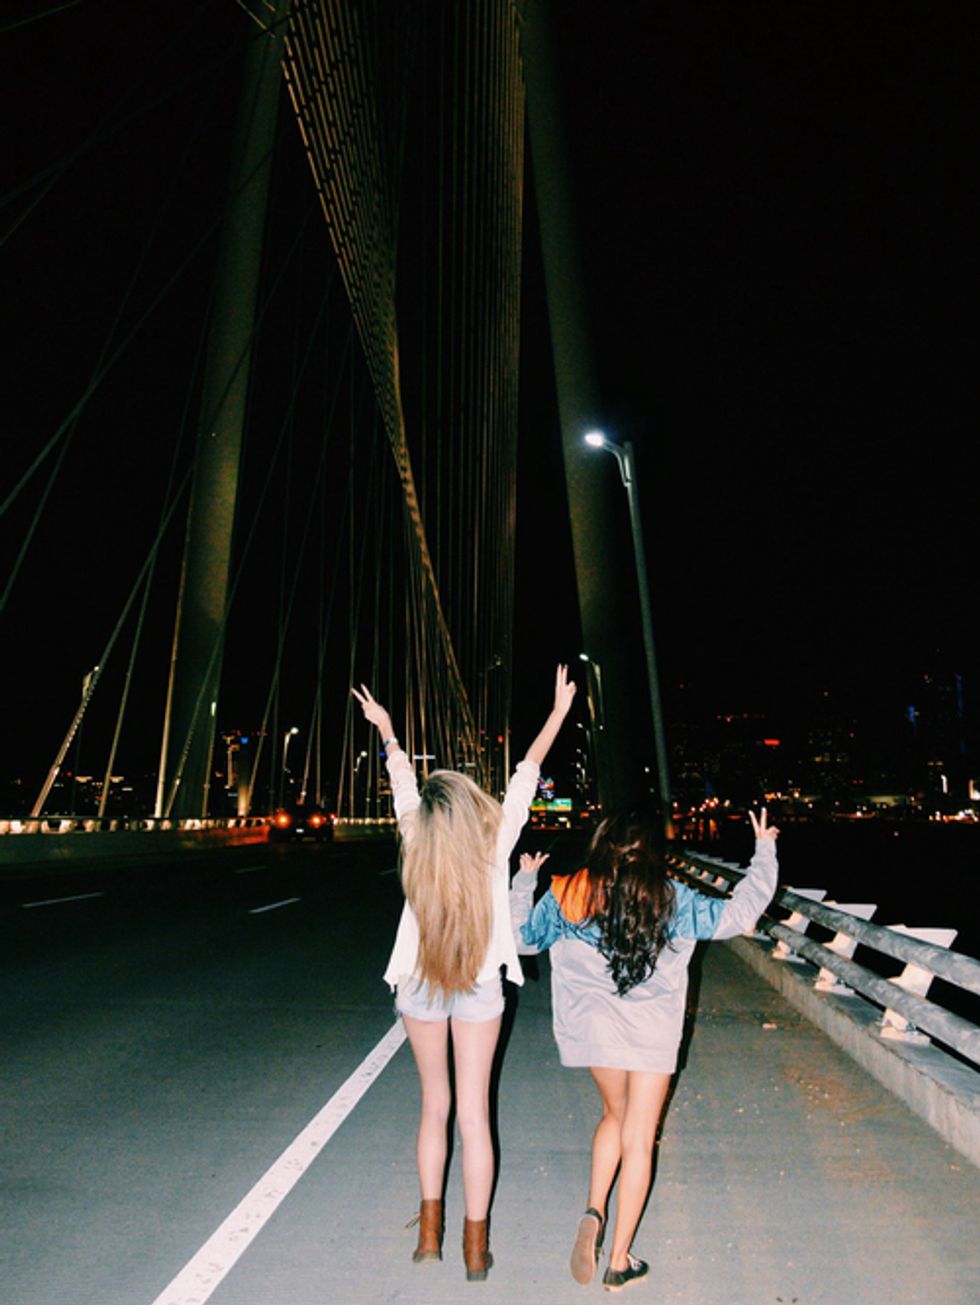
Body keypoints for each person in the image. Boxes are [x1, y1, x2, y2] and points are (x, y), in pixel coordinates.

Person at [351, 666, 576, 1281]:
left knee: (435, 1107)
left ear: (430, 815)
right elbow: (526, 774)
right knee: (475, 1117)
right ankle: (476, 1250)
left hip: (419, 982)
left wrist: (388, 732)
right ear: (472, 809)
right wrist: (557, 714)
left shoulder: (415, 839)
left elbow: (402, 784)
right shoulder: (495, 844)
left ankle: (430, 1238)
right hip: (480, 985)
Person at [511, 806, 779, 1292]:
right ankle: (618, 1261)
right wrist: (764, 852)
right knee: (639, 1137)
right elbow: (740, 915)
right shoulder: (670, 896)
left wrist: (524, 883)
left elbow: (524, 941)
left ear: (600, 845)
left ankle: (594, 1210)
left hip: (595, 1031)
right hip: (652, 1033)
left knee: (613, 1116)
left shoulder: (570, 891)